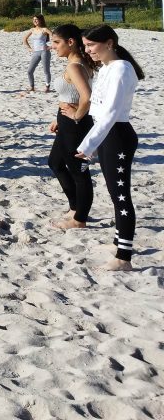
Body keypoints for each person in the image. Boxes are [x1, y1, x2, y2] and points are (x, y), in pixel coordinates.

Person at [76, 25, 144, 272]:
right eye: (85, 46)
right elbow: (98, 110)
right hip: (106, 134)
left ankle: (124, 257)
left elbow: (112, 112)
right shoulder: (106, 67)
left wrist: (88, 144)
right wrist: (94, 141)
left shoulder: (122, 68)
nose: (87, 50)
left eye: (91, 45)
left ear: (109, 43)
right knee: (115, 194)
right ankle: (118, 241)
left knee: (121, 195)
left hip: (118, 136)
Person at [45, 24, 95, 231]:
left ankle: (79, 218)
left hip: (75, 123)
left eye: (57, 42)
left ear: (71, 42)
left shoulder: (75, 66)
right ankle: (75, 207)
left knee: (79, 172)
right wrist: (59, 117)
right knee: (55, 162)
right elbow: (71, 94)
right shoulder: (79, 61)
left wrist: (76, 115)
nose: (53, 46)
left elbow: (87, 97)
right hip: (67, 120)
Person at [24, 14, 52, 92]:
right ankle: (32, 87)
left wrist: (51, 47)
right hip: (35, 52)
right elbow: (24, 39)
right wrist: (29, 48)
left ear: (40, 20)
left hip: (44, 52)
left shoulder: (44, 29)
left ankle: (47, 87)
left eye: (36, 19)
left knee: (46, 70)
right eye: (34, 19)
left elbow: (55, 37)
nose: (35, 21)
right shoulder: (32, 30)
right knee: (29, 71)